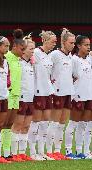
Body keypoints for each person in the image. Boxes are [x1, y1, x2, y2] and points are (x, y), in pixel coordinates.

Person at [46, 28, 75, 160]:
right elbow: (47, 70)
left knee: (63, 122)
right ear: (63, 42)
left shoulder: (70, 56)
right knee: (54, 122)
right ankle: (49, 150)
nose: (73, 45)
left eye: (74, 43)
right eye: (71, 43)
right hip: (57, 92)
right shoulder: (55, 55)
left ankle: (57, 150)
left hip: (68, 92)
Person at [28, 30, 57, 161]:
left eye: (55, 42)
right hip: (38, 91)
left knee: (45, 122)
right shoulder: (36, 53)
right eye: (52, 42)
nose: (54, 44)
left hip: (48, 91)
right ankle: (32, 152)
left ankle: (41, 151)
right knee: (36, 122)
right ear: (44, 41)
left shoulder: (50, 55)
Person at [65, 35, 92, 159]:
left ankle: (79, 150)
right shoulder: (74, 60)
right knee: (73, 124)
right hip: (77, 95)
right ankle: (68, 151)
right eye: (85, 45)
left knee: (83, 124)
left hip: (88, 95)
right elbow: (70, 78)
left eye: (89, 45)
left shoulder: (89, 59)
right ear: (78, 46)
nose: (88, 47)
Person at [9, 34, 35, 162]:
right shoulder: (17, 62)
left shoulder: (31, 64)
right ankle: (13, 153)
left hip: (30, 98)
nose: (32, 51)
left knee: (26, 125)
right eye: (30, 49)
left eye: (33, 49)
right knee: (17, 124)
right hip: (21, 98)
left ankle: (22, 153)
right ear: (23, 49)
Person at [2, 29, 25, 160]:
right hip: (8, 94)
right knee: (3, 123)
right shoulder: (7, 58)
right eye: (22, 48)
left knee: (9, 124)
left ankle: (6, 152)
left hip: (16, 95)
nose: (23, 51)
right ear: (14, 46)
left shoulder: (18, 60)